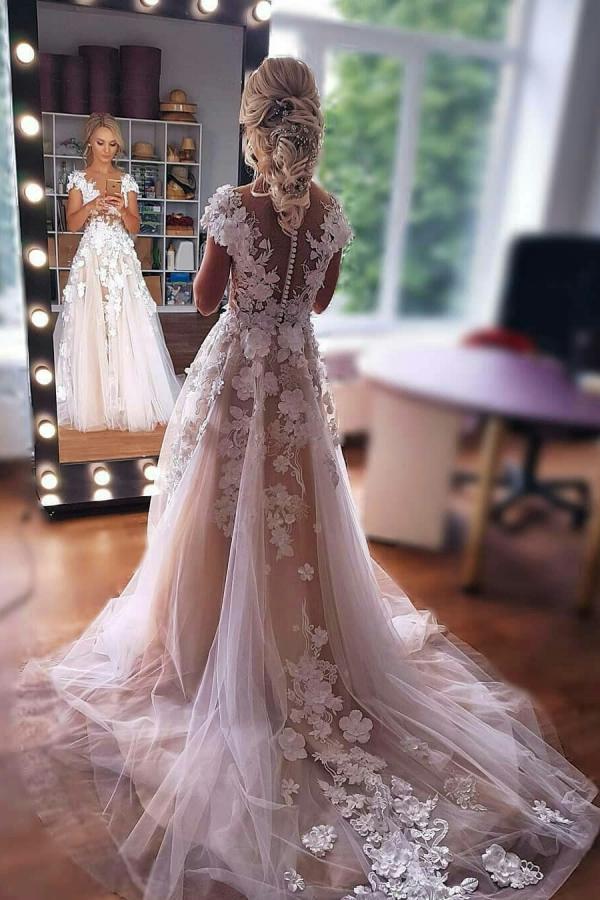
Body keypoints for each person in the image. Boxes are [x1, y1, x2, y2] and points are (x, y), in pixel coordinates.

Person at [17, 58, 599, 900]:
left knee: (220, 507)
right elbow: (320, 303)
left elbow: (207, 297)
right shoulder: (329, 213)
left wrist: (235, 280)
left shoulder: (232, 208)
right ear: (309, 125)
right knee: (299, 514)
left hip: (240, 375)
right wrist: (283, 291)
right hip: (294, 377)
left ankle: (211, 646)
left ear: (254, 128)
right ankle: (300, 637)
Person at [53, 113, 180, 432]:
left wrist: (122, 209)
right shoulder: (78, 180)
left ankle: (128, 396)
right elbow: (72, 224)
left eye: (112, 144)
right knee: (91, 321)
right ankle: (94, 399)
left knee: (125, 320)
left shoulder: (126, 181)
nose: (106, 150)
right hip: (92, 257)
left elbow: (135, 226)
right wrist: (92, 206)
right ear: (90, 143)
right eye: (100, 143)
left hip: (121, 257)